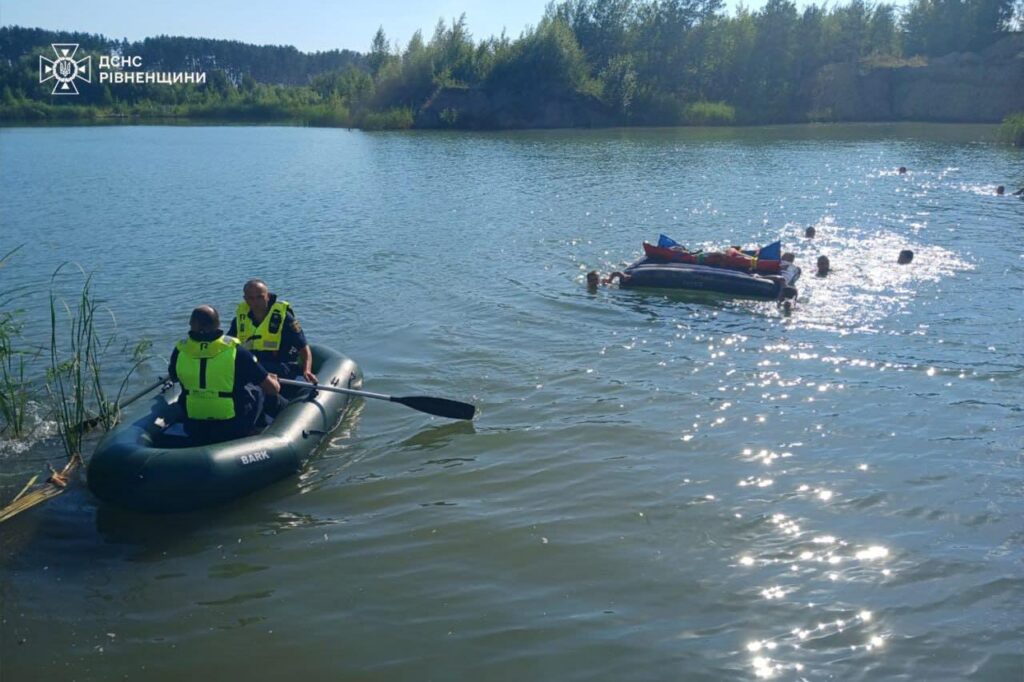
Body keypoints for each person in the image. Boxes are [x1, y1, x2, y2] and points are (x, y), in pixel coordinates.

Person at [168, 305, 281, 444]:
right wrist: (273, 380)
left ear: (191, 324)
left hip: (194, 423)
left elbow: (174, 376)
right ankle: (257, 428)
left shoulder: (180, 350)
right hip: (232, 425)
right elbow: (272, 389)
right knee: (258, 389)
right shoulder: (236, 351)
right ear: (218, 324)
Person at [229, 279, 317, 384]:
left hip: (280, 366)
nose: (255, 302)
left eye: (260, 297)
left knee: (254, 368)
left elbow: (303, 346)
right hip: (254, 365)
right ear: (245, 299)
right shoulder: (240, 320)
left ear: (268, 296)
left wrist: (307, 370)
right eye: (251, 298)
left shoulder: (284, 318)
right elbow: (229, 343)